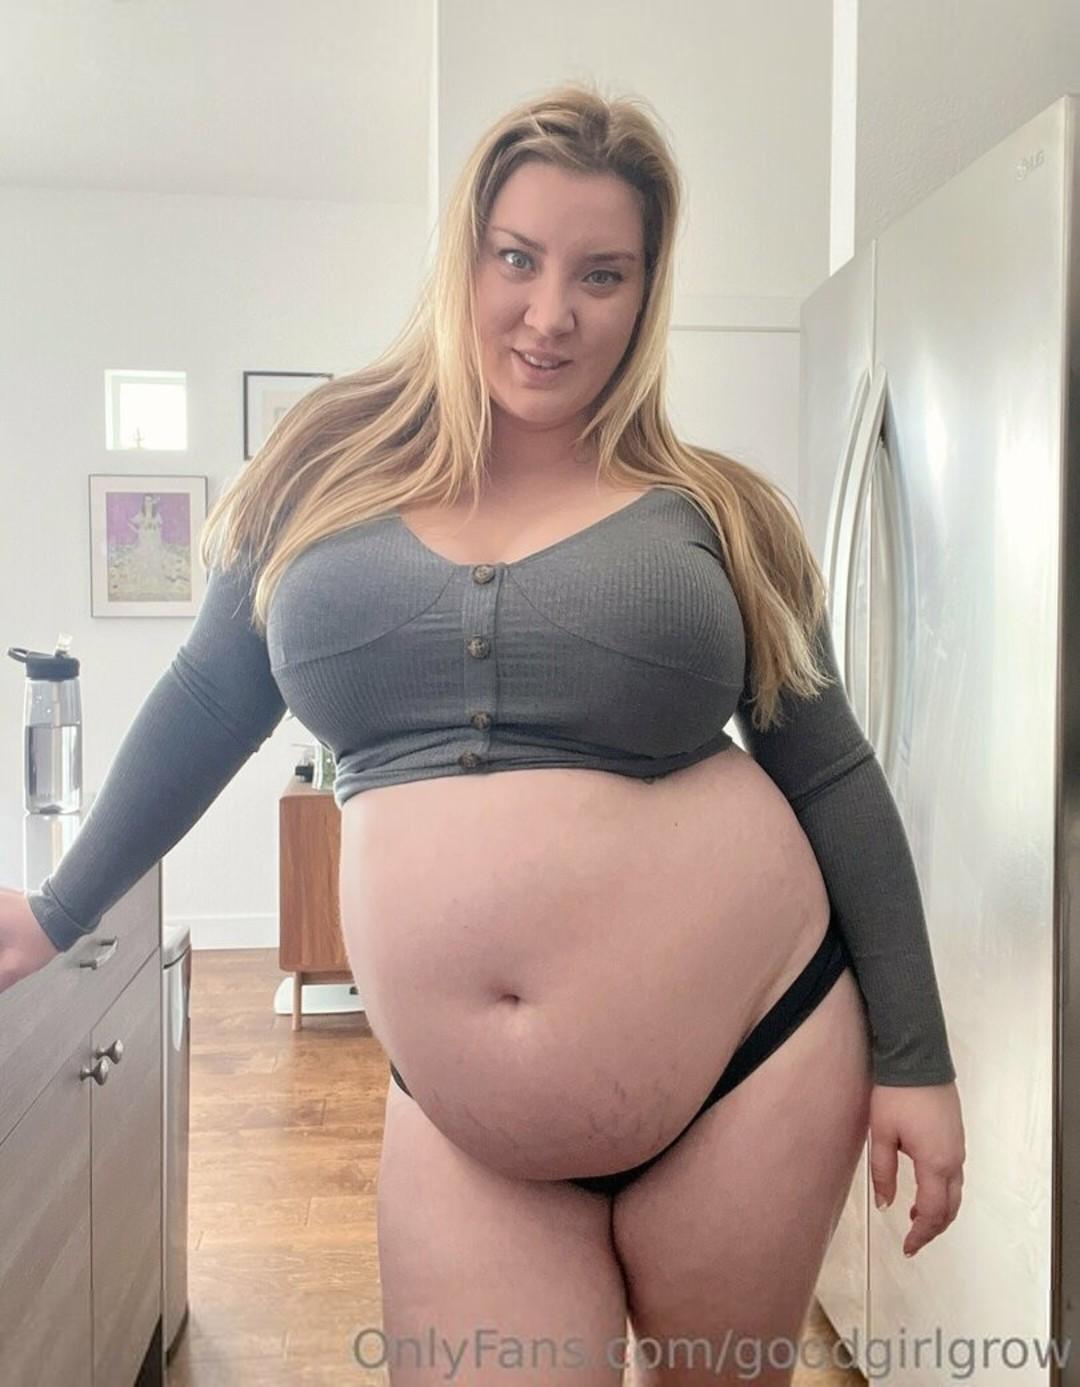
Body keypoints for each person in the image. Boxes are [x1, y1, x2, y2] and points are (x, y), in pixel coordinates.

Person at [0, 82, 965, 1386]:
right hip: (466, 1123)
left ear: (647, 292)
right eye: (517, 258)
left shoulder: (719, 512)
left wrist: (916, 1060)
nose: (551, 313)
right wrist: (59, 911)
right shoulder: (319, 468)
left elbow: (832, 774)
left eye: (602, 274)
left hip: (759, 1055)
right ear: (464, 255)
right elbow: (212, 698)